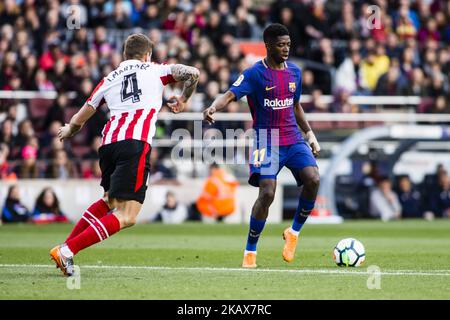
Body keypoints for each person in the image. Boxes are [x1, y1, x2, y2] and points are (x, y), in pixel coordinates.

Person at [50, 33, 199, 276]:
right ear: (147, 55)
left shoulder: (109, 78)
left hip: (108, 144)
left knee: (110, 201)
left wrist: (69, 129)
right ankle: (67, 250)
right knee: (128, 215)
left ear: (124, 55)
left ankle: (65, 250)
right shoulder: (155, 70)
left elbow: (82, 115)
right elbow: (193, 73)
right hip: (134, 143)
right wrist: (183, 98)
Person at [203, 24, 321, 268]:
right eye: (281, 44)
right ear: (268, 46)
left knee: (313, 179)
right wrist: (214, 107)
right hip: (265, 139)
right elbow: (229, 94)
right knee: (267, 192)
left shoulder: (295, 73)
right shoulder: (255, 74)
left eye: (288, 44)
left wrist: (309, 134)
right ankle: (250, 251)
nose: (286, 49)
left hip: (293, 138)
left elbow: (295, 105)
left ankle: (294, 233)